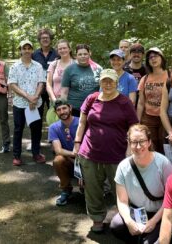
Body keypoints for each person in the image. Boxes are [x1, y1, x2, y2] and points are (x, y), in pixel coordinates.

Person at [73, 69, 139, 233]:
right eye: (104, 81)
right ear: (100, 82)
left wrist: (130, 150)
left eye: (111, 81)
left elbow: (133, 127)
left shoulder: (124, 102)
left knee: (121, 189)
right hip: (89, 152)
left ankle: (124, 217)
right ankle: (97, 218)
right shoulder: (92, 98)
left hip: (117, 154)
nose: (107, 84)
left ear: (117, 82)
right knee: (93, 189)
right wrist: (77, 143)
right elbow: (82, 123)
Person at [111, 124, 172, 243]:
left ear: (149, 142)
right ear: (129, 143)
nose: (138, 146)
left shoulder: (163, 163)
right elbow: (122, 201)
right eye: (134, 142)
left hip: (161, 213)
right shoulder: (123, 167)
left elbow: (171, 200)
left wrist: (153, 221)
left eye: (142, 141)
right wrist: (129, 221)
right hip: (137, 212)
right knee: (116, 225)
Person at [8, 40, 47, 166]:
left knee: (36, 129)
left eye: (29, 48)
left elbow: (41, 82)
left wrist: (35, 97)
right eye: (24, 48)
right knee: (18, 129)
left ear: (32, 50)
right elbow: (12, 85)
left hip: (36, 103)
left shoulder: (38, 66)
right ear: (20, 50)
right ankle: (17, 156)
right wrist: (28, 97)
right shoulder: (14, 67)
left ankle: (36, 153)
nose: (26, 50)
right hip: (20, 104)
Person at [137, 47, 170, 154]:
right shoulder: (145, 78)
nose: (153, 59)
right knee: (150, 147)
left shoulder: (170, 75)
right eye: (150, 57)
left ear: (162, 58)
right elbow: (141, 103)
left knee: (166, 146)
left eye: (156, 56)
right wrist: (138, 122)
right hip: (148, 118)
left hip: (166, 117)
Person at [48, 99, 80, 206]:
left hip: (85, 160)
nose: (62, 112)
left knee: (89, 192)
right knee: (58, 160)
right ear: (56, 112)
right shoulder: (53, 127)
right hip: (70, 159)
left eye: (64, 108)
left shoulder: (81, 122)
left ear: (70, 108)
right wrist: (73, 155)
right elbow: (58, 150)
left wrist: (80, 159)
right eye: (59, 110)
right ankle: (66, 189)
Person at [61, 44, 102, 117]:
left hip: (93, 109)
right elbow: (64, 92)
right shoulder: (69, 69)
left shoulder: (98, 69)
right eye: (80, 54)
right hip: (74, 109)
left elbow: (102, 90)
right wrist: (64, 109)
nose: (83, 56)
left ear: (90, 54)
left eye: (85, 54)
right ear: (76, 56)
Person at [32, 28, 57, 110]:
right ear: (39, 40)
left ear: (51, 39)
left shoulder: (57, 54)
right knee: (36, 115)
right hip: (38, 89)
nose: (45, 39)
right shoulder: (34, 54)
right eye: (43, 38)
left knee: (54, 113)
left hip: (53, 89)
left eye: (47, 38)